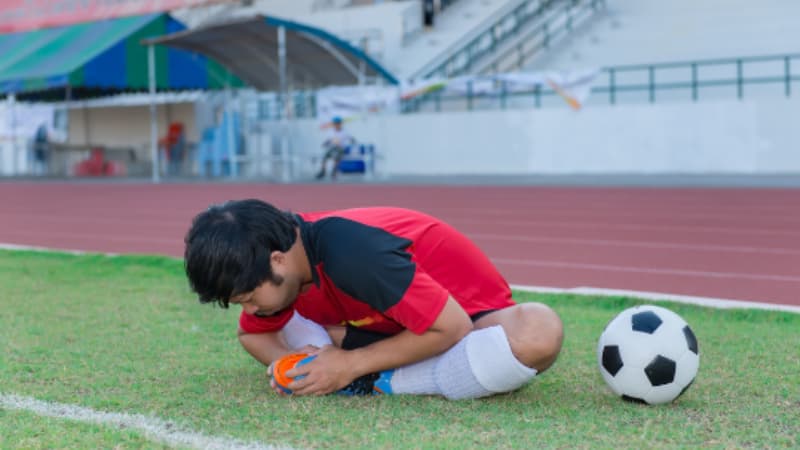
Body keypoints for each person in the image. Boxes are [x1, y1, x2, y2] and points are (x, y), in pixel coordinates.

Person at [184, 199, 564, 399]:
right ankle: (366, 373)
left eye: (249, 297)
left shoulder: (349, 252)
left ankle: (382, 381)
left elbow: (453, 326)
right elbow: (252, 335)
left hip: (466, 320)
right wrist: (298, 370)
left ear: (278, 258)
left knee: (539, 334)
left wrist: (349, 366)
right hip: (384, 326)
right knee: (295, 328)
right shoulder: (278, 273)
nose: (250, 310)